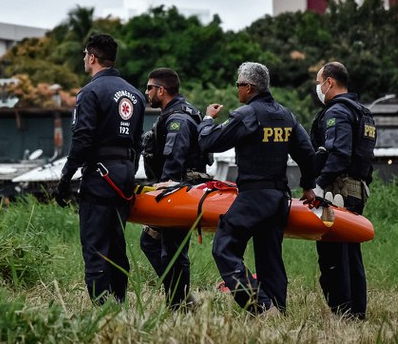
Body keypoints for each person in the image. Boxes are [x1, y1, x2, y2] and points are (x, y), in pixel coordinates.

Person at [198, 62, 316, 314]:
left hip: (253, 197)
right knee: (270, 258)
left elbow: (209, 142)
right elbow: (308, 154)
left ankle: (260, 304)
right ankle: (276, 311)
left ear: (249, 87)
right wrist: (308, 186)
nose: (237, 90)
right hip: (279, 199)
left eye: (238, 85)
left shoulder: (247, 114)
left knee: (224, 247)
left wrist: (207, 119)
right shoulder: (286, 115)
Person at [53, 33, 146, 305]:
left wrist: (65, 177)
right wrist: (130, 169)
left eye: (85, 55)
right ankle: (120, 302)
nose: (84, 59)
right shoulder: (136, 94)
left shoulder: (90, 92)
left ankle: (102, 308)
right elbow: (138, 141)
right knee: (117, 244)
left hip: (100, 176)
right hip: (125, 175)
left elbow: (82, 139)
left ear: (92, 58)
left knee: (95, 246)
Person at [310, 61, 376, 320]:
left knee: (332, 252)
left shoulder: (337, 113)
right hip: (357, 191)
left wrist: (318, 183)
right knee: (351, 250)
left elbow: (338, 153)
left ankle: (343, 312)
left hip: (335, 193)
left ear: (330, 82)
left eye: (319, 82)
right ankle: (356, 311)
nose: (317, 87)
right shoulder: (363, 112)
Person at [139, 68, 207, 310]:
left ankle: (180, 303)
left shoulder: (178, 118)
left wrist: (163, 192)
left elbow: (174, 157)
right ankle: (181, 299)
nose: (146, 92)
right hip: (177, 190)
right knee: (151, 242)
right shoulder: (175, 112)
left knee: (173, 251)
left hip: (179, 192)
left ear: (161, 90)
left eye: (149, 87)